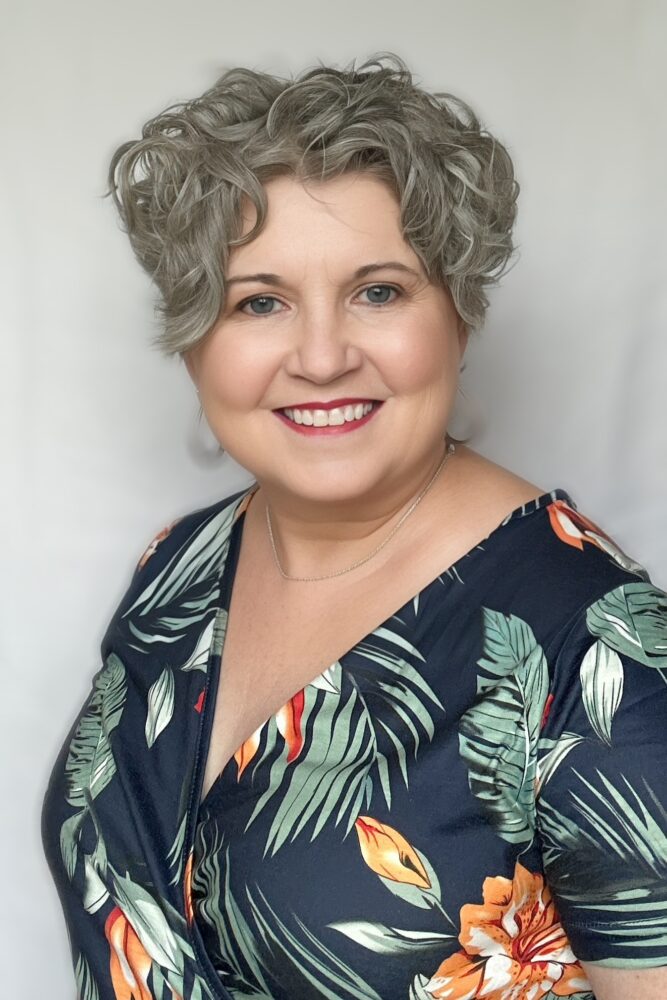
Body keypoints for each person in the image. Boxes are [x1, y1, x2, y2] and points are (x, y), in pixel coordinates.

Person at [41, 52, 667, 1000]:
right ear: (196, 337)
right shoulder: (177, 569)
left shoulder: (597, 655)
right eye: (260, 301)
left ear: (457, 315)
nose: (323, 356)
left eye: (378, 291)